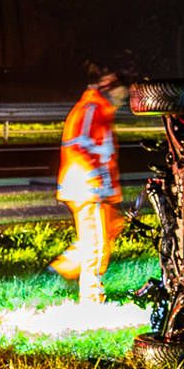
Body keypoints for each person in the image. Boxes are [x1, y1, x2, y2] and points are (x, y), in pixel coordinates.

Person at [49, 68, 130, 303]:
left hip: (93, 187)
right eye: (120, 95)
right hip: (87, 188)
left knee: (112, 226)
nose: (121, 101)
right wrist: (96, 180)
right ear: (108, 87)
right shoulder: (91, 110)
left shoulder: (100, 111)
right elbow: (77, 145)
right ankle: (92, 299)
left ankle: (66, 266)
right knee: (96, 244)